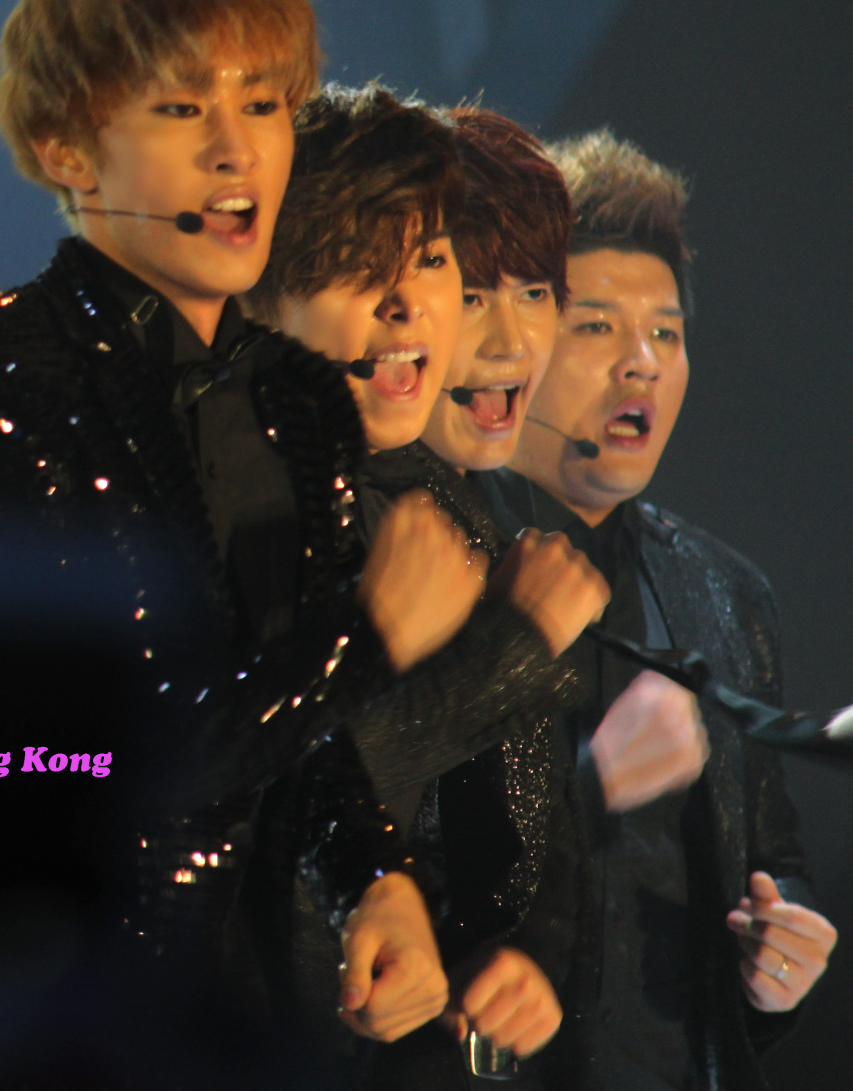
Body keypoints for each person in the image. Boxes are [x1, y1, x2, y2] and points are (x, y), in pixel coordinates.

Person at [0, 0, 487, 1072]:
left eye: (263, 104)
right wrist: (369, 634)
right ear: (65, 150)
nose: (236, 151)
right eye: (182, 110)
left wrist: (373, 878)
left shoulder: (297, 395)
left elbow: (290, 715)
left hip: (212, 1017)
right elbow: (84, 769)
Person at [241, 90, 608, 1085]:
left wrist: (522, 950)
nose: (406, 304)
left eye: (434, 261)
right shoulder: (232, 506)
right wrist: (511, 648)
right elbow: (277, 798)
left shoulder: (444, 495)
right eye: (359, 265)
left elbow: (526, 800)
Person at [483, 131, 837, 1090]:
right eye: (597, 327)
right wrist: (589, 785)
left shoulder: (725, 592)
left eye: (667, 335)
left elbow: (772, 850)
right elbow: (374, 850)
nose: (641, 364)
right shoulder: (439, 557)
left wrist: (781, 947)